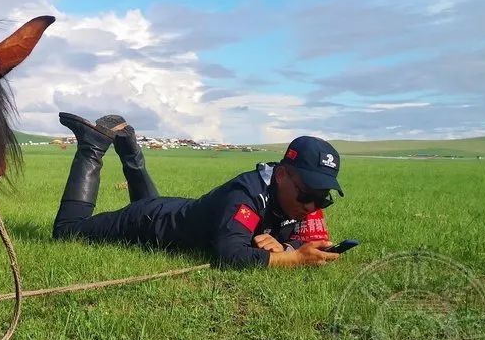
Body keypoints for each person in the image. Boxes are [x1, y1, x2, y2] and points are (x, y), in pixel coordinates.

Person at [51, 113, 344, 268]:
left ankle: (127, 142)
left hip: (170, 211)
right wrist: (293, 259)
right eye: (307, 195)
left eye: (322, 199)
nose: (312, 206)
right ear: (281, 175)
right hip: (146, 224)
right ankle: (91, 145)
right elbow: (230, 256)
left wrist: (285, 247)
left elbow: (286, 238)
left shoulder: (291, 199)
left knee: (155, 206)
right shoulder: (247, 193)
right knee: (67, 232)